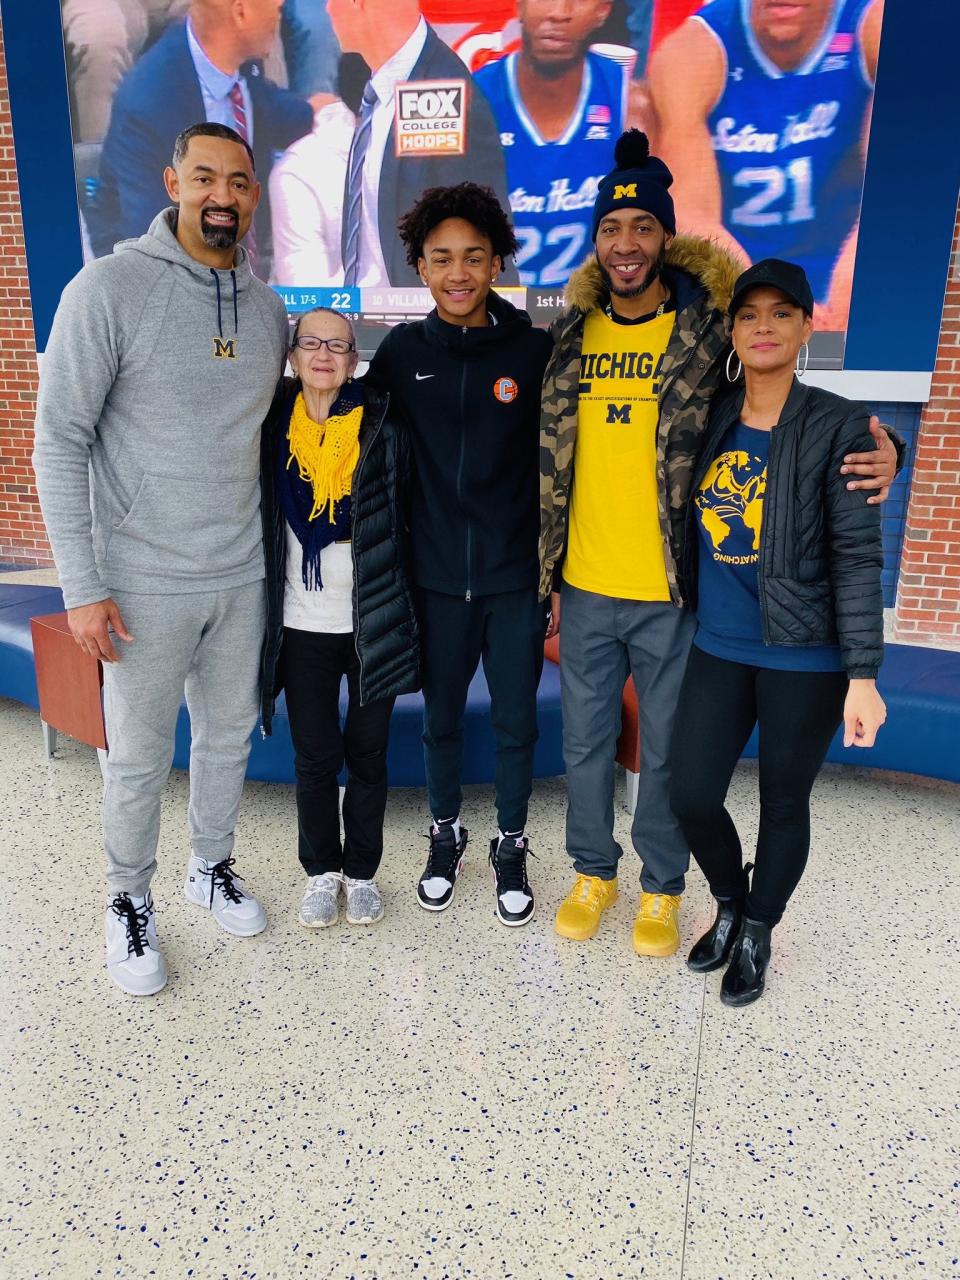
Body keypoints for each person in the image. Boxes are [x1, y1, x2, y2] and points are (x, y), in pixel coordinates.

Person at [539, 129, 898, 959]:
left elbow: (793, 409)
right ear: (596, 244)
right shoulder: (570, 335)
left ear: (665, 237)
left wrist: (887, 449)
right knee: (585, 743)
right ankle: (593, 870)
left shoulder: (707, 335)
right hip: (585, 582)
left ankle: (663, 888)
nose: (626, 244)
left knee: (667, 758)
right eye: (610, 229)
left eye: (642, 227)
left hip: (672, 593)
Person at [32, 123, 290, 996]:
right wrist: (84, 585)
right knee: (139, 758)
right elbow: (58, 441)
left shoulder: (267, 311)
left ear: (254, 197)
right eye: (206, 176)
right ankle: (127, 902)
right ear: (174, 180)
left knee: (225, 740)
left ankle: (208, 865)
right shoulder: (107, 290)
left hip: (240, 572)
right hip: (138, 579)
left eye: (241, 182)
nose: (224, 194)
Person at [669, 258, 886, 1005]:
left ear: (806, 325)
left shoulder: (838, 424)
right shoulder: (711, 413)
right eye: (750, 314)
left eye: (781, 313)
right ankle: (729, 900)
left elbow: (859, 554)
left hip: (807, 655)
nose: (764, 326)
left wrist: (863, 676)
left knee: (784, 802)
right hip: (718, 644)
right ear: (732, 329)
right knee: (690, 791)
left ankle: (759, 928)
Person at [367, 182, 552, 926]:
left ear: (497, 262)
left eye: (474, 256)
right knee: (441, 718)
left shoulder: (534, 350)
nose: (459, 272)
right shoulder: (401, 353)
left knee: (515, 721)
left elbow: (564, 465)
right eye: (441, 258)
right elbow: (365, 451)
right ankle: (445, 834)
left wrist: (552, 572)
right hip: (434, 581)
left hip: (514, 581)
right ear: (419, 266)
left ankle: (511, 842)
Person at [258, 306, 419, 927]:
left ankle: (363, 871)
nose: (324, 355)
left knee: (370, 753)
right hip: (300, 624)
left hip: (371, 615)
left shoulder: (382, 426)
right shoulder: (272, 426)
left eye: (339, 346)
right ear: (292, 357)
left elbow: (408, 514)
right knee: (316, 755)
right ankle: (323, 871)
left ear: (355, 360)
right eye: (311, 344)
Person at [647, 0, 882, 328]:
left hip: (845, 272)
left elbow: (897, 194)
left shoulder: (875, 26)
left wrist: (845, 299)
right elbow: (688, 212)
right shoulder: (692, 51)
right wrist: (757, 303)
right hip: (737, 276)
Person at [87, 0, 313, 265]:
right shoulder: (149, 104)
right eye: (272, 3)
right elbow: (153, 247)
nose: (280, 6)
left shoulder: (239, 63)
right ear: (241, 12)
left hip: (243, 270)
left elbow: (270, 109)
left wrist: (331, 114)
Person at [324, 0, 515, 286]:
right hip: (369, 320)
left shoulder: (441, 93)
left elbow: (481, 241)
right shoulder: (381, 84)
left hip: (423, 323)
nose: (327, 9)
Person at [473, 0, 629, 287]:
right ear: (519, 6)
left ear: (602, 12)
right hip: (496, 315)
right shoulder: (475, 101)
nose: (559, 12)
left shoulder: (630, 102)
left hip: (590, 314)